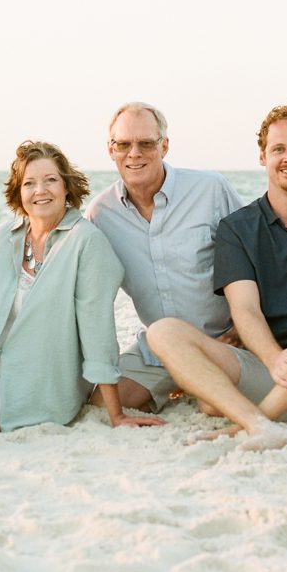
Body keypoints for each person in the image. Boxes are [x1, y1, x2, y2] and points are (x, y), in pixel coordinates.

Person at [145, 105, 287, 450]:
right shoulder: (237, 229)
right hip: (270, 374)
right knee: (163, 331)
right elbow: (245, 309)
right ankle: (259, 423)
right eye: (278, 149)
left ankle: (246, 424)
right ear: (262, 156)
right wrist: (274, 359)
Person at [0, 140, 165, 434]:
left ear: (66, 187)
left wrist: (116, 414)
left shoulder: (86, 242)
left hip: (31, 388)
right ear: (18, 191)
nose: (40, 190)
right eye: (29, 183)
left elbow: (97, 329)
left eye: (51, 180)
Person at [85, 101, 243, 414]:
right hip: (159, 349)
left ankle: (193, 384)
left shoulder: (210, 189)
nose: (134, 153)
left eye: (146, 143)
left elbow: (256, 259)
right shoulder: (101, 215)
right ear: (110, 149)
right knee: (102, 405)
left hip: (225, 341)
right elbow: (89, 296)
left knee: (212, 404)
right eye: (124, 144)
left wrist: (242, 330)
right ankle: (178, 381)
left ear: (164, 145)